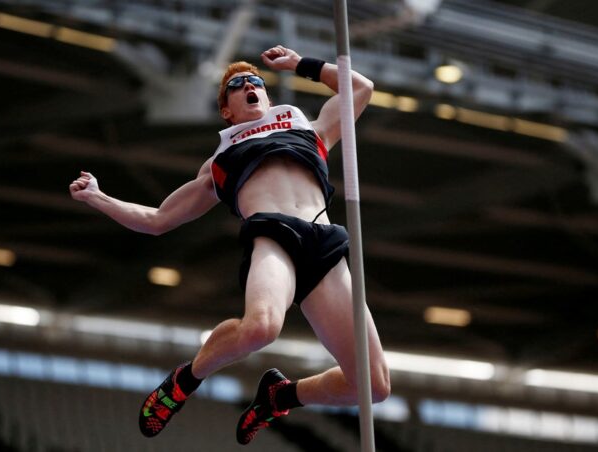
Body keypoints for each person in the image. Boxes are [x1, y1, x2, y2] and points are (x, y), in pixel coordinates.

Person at [69, 45, 390, 445]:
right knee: (260, 329)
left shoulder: (310, 129)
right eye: (238, 85)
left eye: (256, 82)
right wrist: (98, 197)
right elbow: (157, 220)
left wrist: (298, 64)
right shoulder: (220, 161)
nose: (250, 86)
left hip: (324, 243)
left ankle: (280, 397)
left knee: (373, 386)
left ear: (267, 95)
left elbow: (360, 88)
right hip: (274, 237)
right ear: (226, 110)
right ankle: (186, 379)